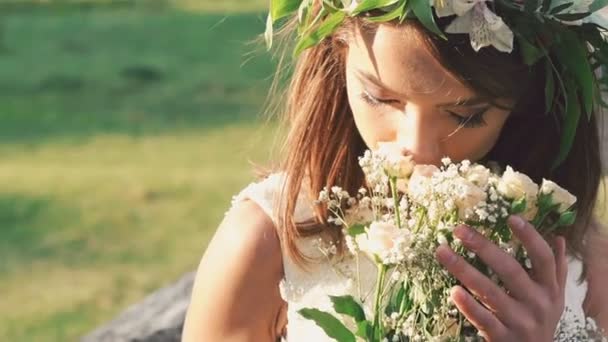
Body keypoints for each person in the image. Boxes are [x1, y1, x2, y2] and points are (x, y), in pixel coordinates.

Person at [182, 1, 608, 341]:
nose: (418, 147)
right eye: (381, 99)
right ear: (336, 54)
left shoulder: (580, 254)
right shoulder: (266, 241)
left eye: (465, 114)